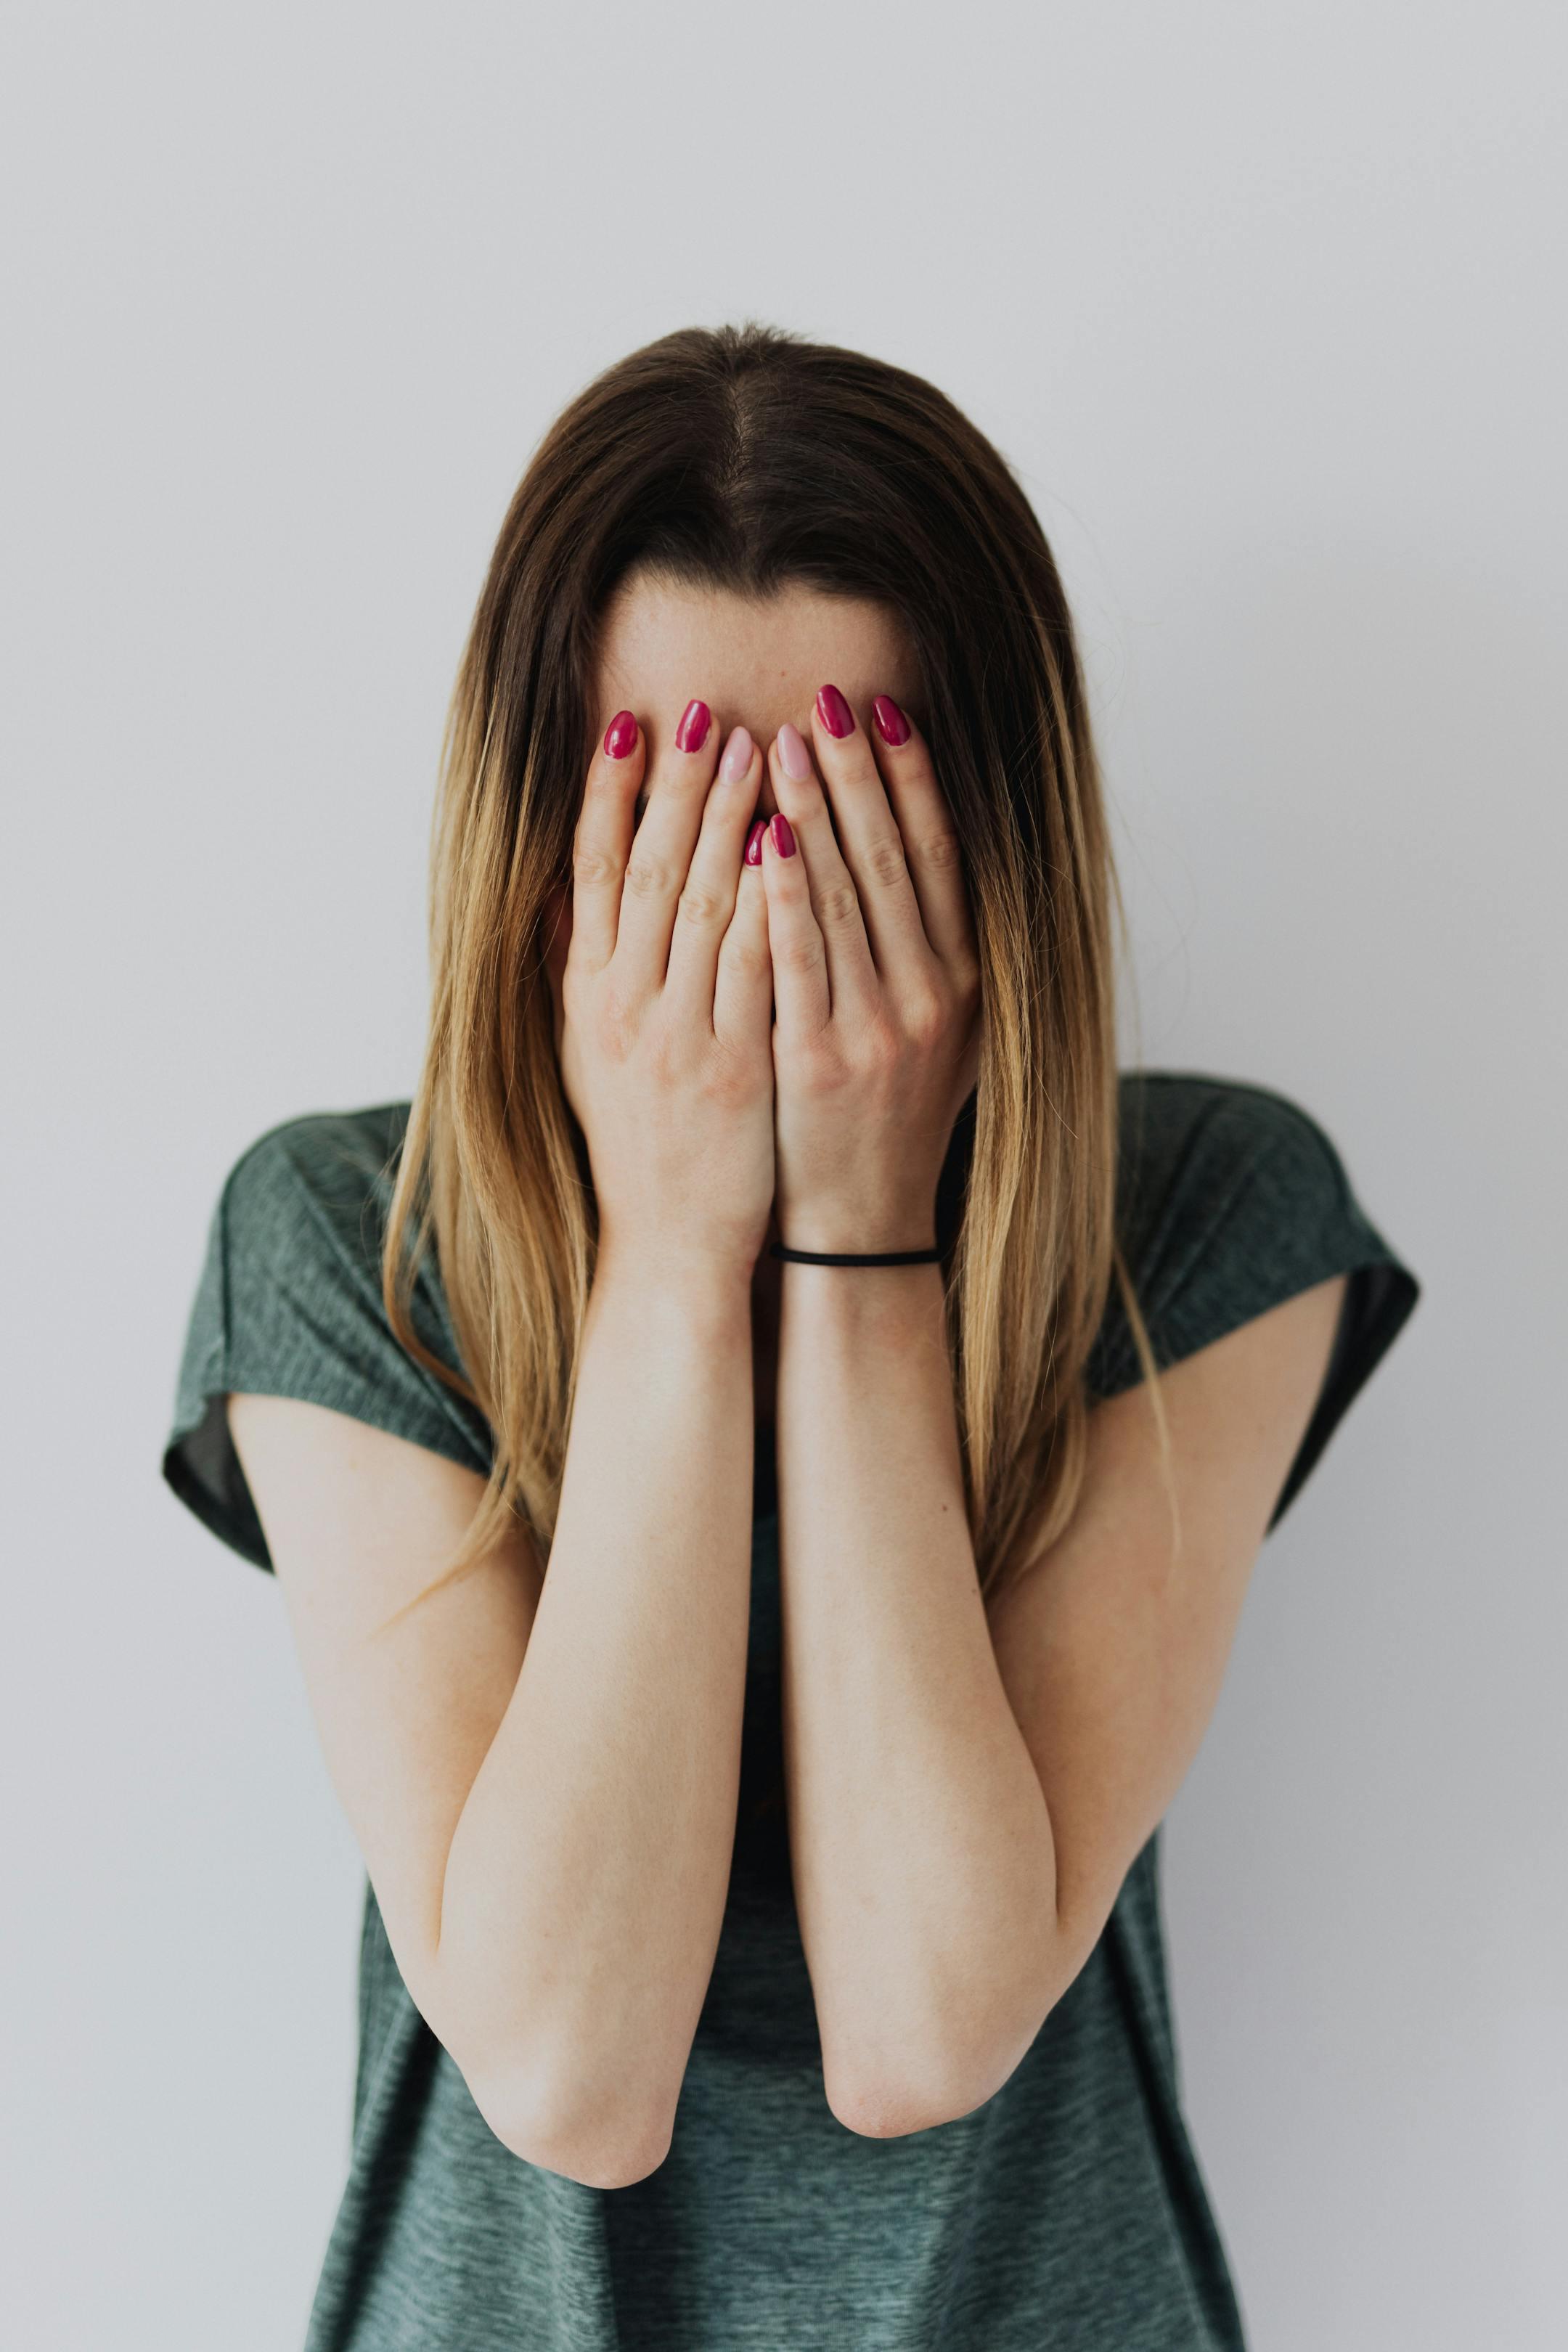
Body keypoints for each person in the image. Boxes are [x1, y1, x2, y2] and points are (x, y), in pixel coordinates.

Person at [162, 322, 1421, 2351]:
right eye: (677, 822)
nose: (759, 918)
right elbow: (569, 2070)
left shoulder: (1191, 1222)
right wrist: (669, 1251)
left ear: (987, 852)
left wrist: (855, 1239)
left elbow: (927, 2027)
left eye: (837, 822)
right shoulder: (345, 1245)